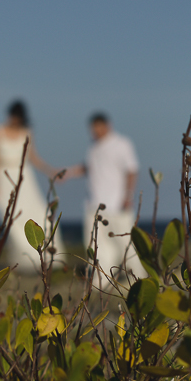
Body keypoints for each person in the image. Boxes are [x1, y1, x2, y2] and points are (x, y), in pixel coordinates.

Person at [61, 112, 142, 287]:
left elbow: (132, 170)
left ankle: (140, 280)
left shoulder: (122, 144)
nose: (95, 131)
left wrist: (128, 196)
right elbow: (89, 168)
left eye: (98, 127)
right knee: (97, 246)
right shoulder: (93, 148)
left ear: (107, 125)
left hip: (117, 204)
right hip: (94, 205)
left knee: (126, 243)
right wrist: (67, 173)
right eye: (92, 128)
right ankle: (101, 283)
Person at [0, 100, 64, 271]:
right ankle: (23, 259)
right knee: (12, 218)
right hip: (4, 177)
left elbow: (34, 158)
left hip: (25, 177)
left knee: (37, 212)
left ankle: (45, 254)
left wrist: (51, 171)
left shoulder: (26, 132)